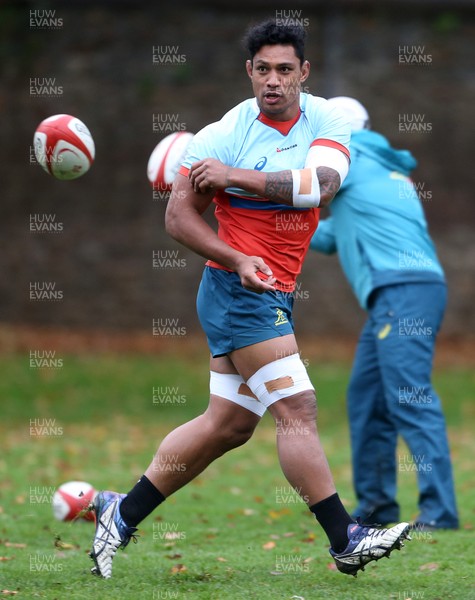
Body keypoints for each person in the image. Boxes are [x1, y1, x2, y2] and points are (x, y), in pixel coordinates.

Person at [89, 22, 411, 580]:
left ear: (304, 74)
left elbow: (321, 186)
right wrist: (236, 258)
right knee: (297, 407)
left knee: (229, 424)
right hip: (237, 290)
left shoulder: (328, 119)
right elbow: (177, 217)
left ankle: (122, 511)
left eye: (285, 69)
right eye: (263, 70)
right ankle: (346, 538)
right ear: (249, 73)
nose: (273, 81)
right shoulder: (222, 134)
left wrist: (236, 178)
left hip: (273, 289)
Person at [310, 96, 459, 531]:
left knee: (411, 398)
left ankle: (440, 512)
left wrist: (238, 190)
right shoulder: (382, 168)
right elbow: (329, 235)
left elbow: (304, 192)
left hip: (404, 291)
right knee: (368, 399)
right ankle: (377, 509)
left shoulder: (349, 157)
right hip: (405, 292)